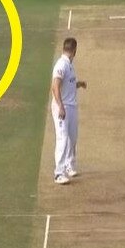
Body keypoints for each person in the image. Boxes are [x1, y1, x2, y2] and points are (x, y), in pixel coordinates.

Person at [51, 38, 87, 185]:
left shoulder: (70, 65)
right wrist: (60, 107)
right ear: (74, 50)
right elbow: (55, 86)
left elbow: (69, 84)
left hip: (71, 107)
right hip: (63, 108)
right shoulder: (61, 65)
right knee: (63, 139)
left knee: (72, 138)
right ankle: (58, 173)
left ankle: (69, 165)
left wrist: (79, 84)